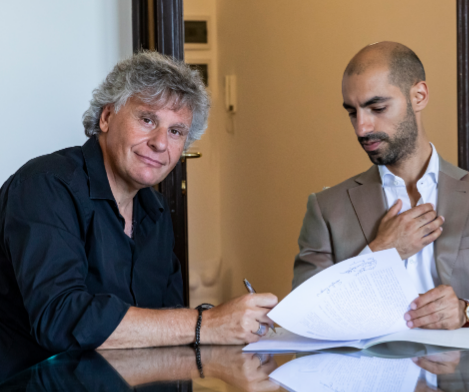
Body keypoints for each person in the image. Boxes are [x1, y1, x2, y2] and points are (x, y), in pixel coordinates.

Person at [0, 52, 277, 378]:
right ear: (106, 117)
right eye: (147, 120)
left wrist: (227, 329)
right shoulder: (45, 185)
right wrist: (208, 323)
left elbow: (167, 325)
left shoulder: (156, 212)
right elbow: (60, 319)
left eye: (176, 131)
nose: (160, 143)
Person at [292, 41, 469, 330]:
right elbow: (302, 319)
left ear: (419, 96)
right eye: (353, 112)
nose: (362, 128)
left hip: (463, 361)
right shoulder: (326, 210)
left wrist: (467, 313)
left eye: (377, 107)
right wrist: (379, 255)